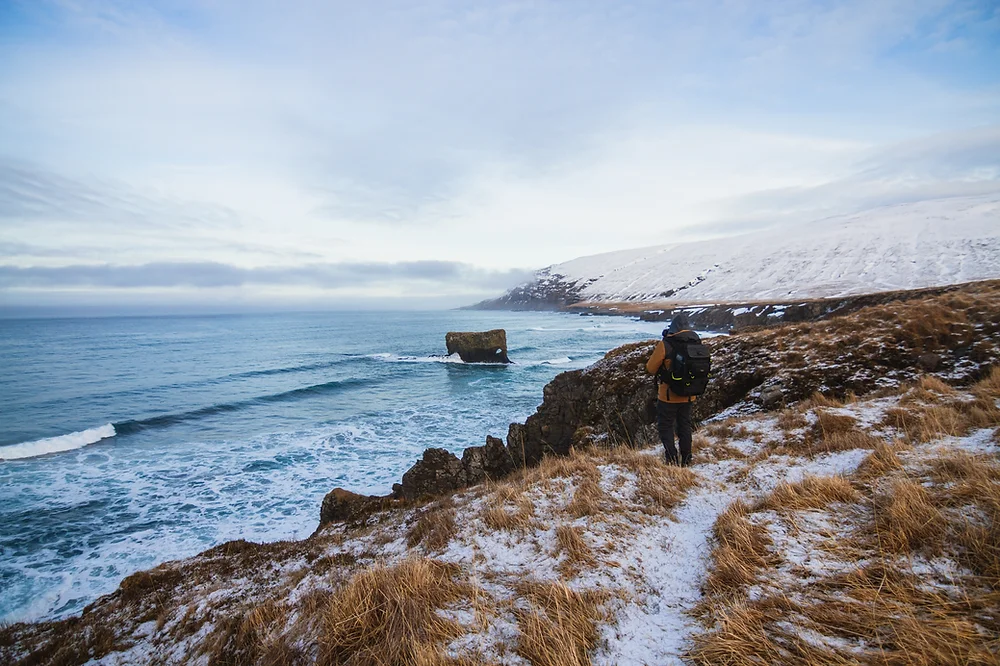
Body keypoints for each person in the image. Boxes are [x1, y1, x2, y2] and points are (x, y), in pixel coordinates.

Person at [646, 314, 695, 466]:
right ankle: (687, 459)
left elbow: (650, 368)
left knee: (666, 427)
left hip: (668, 395)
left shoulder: (666, 344)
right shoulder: (696, 341)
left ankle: (672, 459)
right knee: (685, 426)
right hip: (689, 394)